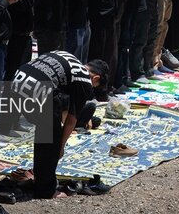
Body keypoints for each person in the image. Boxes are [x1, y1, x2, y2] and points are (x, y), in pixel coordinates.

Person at [11, 52, 107, 199]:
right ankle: (45, 189)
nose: (91, 89)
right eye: (95, 85)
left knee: (49, 125)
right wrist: (60, 147)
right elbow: (71, 119)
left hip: (17, 81)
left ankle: (40, 171)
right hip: (38, 89)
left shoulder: (70, 59)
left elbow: (64, 106)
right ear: (96, 78)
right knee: (51, 141)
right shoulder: (84, 80)